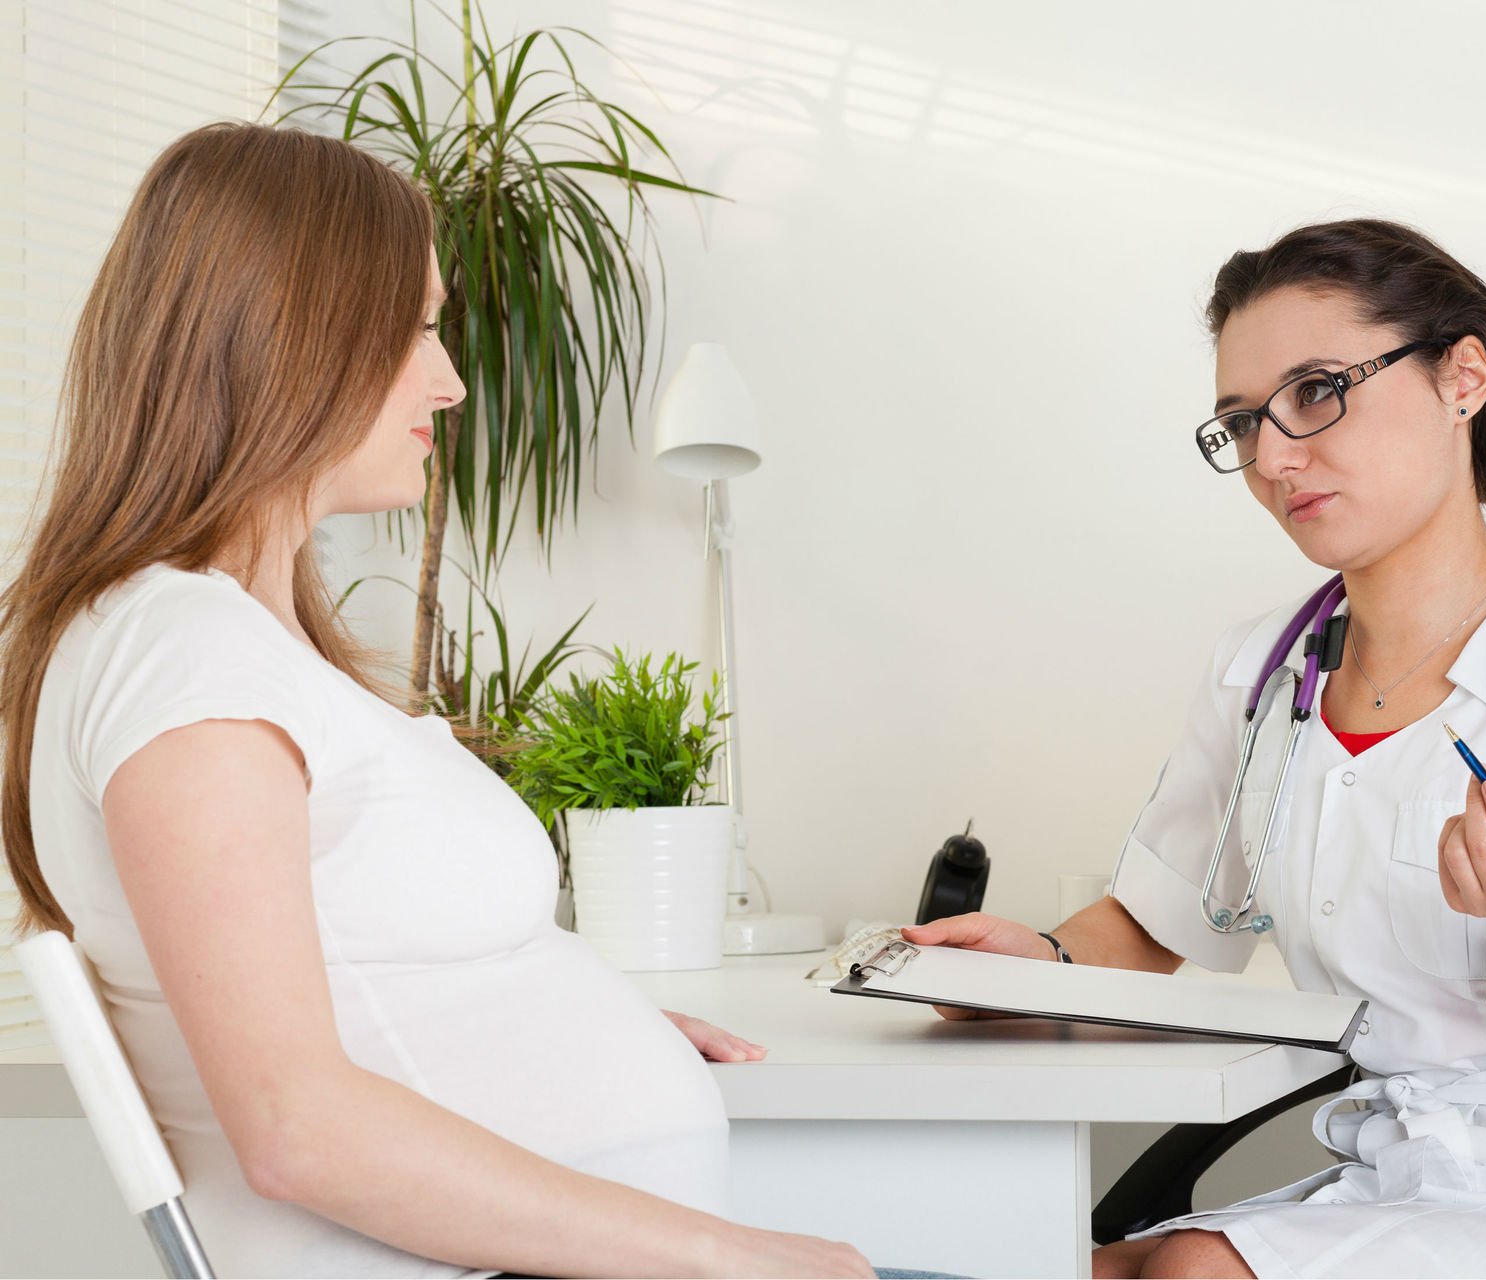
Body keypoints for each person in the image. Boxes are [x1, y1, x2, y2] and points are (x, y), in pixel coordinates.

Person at [0, 122, 874, 1279]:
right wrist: (741, 1257)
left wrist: (540, 1037)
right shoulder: (184, 658)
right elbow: (297, 1127)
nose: (451, 379)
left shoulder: (217, 644)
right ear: (286, 335)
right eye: (415, 326)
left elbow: (343, 983)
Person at [904, 219, 1486, 1278]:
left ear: (1463, 378)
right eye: (1244, 422)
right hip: (1398, 1182)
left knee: (1191, 1270)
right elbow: (1153, 923)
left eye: (1319, 390)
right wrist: (1036, 970)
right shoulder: (1262, 673)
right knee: (1060, 1266)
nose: (1275, 456)